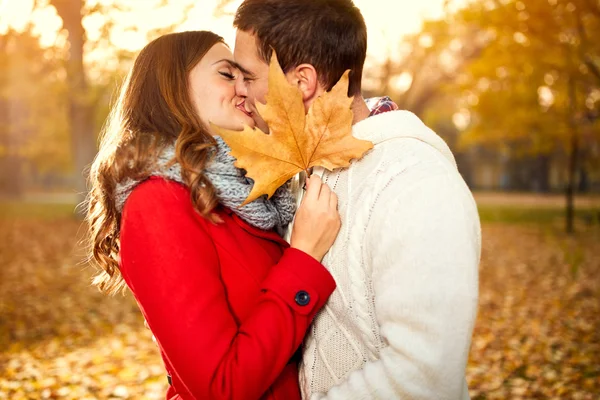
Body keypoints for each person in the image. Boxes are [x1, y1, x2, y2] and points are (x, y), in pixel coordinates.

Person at [232, 1, 481, 399]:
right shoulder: (310, 175)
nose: (238, 93)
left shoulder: (416, 182)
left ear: (302, 82)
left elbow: (425, 376)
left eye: (247, 76)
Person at [85, 30, 341, 400]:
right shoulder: (157, 202)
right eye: (227, 74)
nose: (245, 90)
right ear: (173, 89)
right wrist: (303, 256)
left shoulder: (243, 197)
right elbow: (221, 387)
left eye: (245, 77)